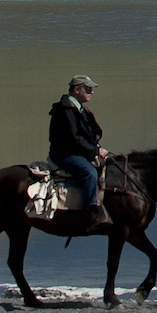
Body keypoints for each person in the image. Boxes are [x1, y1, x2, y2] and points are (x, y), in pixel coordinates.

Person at [47, 75, 107, 227]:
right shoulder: (65, 110)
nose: (91, 92)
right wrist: (94, 151)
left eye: (91, 89)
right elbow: (74, 139)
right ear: (76, 89)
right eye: (87, 89)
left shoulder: (80, 109)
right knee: (89, 173)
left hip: (78, 151)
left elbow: (85, 136)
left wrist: (97, 148)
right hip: (64, 154)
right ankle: (90, 212)